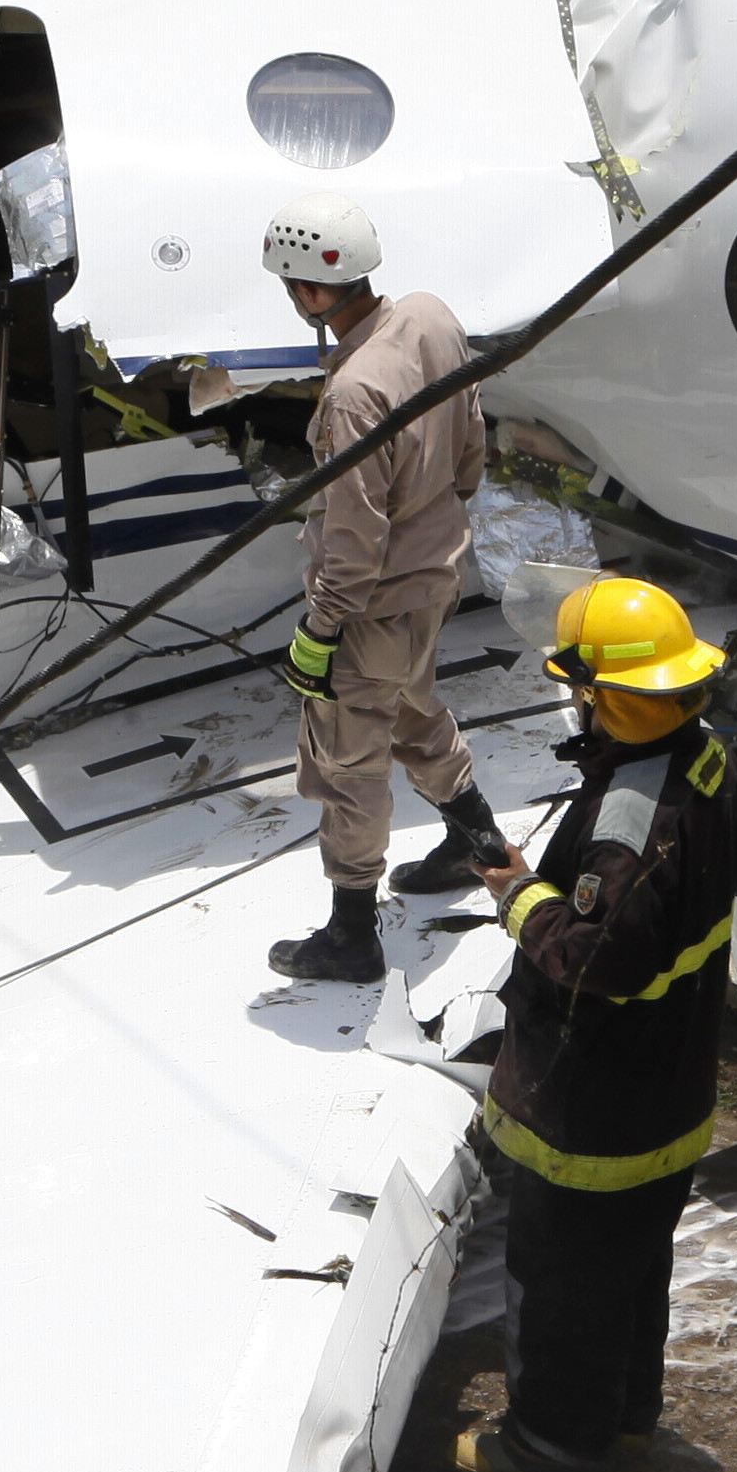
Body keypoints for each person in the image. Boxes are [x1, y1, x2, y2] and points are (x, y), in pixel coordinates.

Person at [452, 576, 737, 1472]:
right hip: (669, 1083)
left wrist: (518, 894)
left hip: (594, 1103)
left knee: (560, 1279)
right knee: (631, 1267)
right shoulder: (715, 765)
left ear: (603, 695)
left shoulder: (628, 823)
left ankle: (550, 1444)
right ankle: (623, 1416)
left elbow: (596, 960)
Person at [261, 190, 516, 986]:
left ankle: (351, 934)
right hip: (434, 583)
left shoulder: (352, 393)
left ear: (307, 292)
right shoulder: (433, 317)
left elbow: (354, 534)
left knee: (348, 760)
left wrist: (321, 628)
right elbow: (472, 446)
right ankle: (478, 842)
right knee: (412, 708)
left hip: (371, 605)